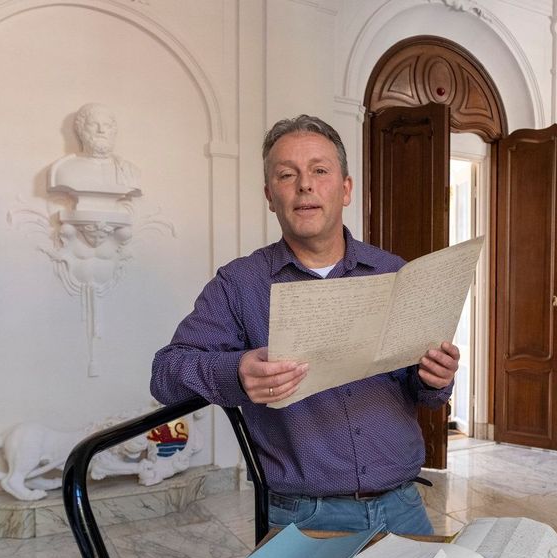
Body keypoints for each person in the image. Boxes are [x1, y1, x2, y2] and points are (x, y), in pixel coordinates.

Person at [150, 115, 459, 535]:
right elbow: (165, 374)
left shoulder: (393, 272)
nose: (304, 185)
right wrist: (236, 373)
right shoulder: (240, 284)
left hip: (402, 503)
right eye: (286, 175)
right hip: (302, 517)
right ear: (269, 195)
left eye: (319, 170)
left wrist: (436, 378)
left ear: (345, 188)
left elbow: (425, 394)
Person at [49, 103, 141, 206]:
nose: (101, 130)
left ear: (113, 131)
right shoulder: (64, 168)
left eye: (107, 125)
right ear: (80, 130)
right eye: (93, 124)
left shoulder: (130, 171)